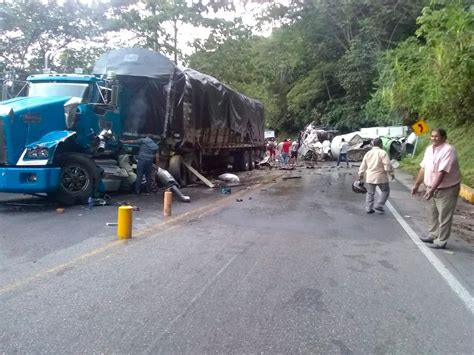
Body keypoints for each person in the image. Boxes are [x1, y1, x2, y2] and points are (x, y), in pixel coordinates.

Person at [411, 128, 461, 249]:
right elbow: (423, 168)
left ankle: (441, 241)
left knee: (444, 216)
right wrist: (417, 184)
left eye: (437, 136)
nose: (434, 138)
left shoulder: (448, 150)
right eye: (432, 136)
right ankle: (433, 235)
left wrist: (432, 190)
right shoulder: (429, 149)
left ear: (443, 137)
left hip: (447, 189)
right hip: (432, 188)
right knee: (433, 213)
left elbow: (442, 172)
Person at [358, 137, 394, 214]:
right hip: (381, 177)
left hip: (370, 176)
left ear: (373, 144)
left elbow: (363, 166)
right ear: (381, 144)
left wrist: (360, 175)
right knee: (385, 190)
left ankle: (368, 208)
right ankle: (379, 205)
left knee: (370, 193)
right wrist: (391, 174)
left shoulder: (368, 153)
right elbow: (387, 165)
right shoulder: (383, 153)